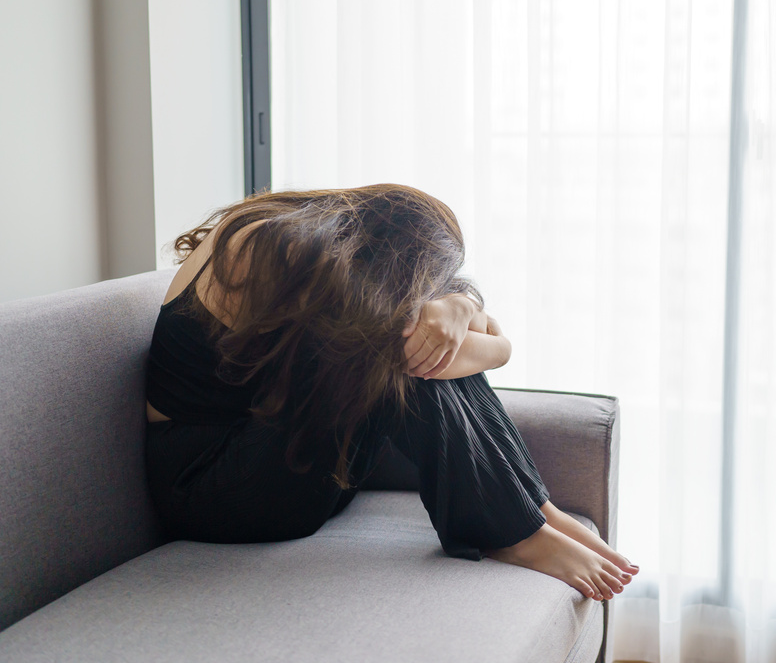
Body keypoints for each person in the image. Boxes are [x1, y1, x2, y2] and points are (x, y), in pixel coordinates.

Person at [143, 184, 638, 601]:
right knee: (399, 356)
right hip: (215, 490)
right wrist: (496, 344)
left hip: (287, 461)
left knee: (413, 345)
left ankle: (530, 509)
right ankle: (510, 532)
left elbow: (458, 333)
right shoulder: (272, 248)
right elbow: (448, 351)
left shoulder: (321, 239)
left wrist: (458, 305)